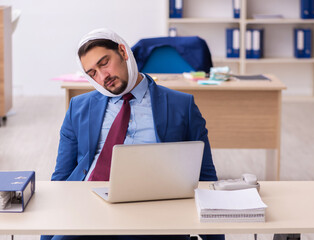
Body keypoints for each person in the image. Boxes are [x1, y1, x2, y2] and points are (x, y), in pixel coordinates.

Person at [41, 28, 224, 240]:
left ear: (123, 52)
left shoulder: (181, 105)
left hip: (154, 209)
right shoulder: (78, 107)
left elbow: (206, 177)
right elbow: (61, 177)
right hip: (87, 206)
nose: (103, 77)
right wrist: (48, 233)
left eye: (104, 63)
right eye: (92, 73)